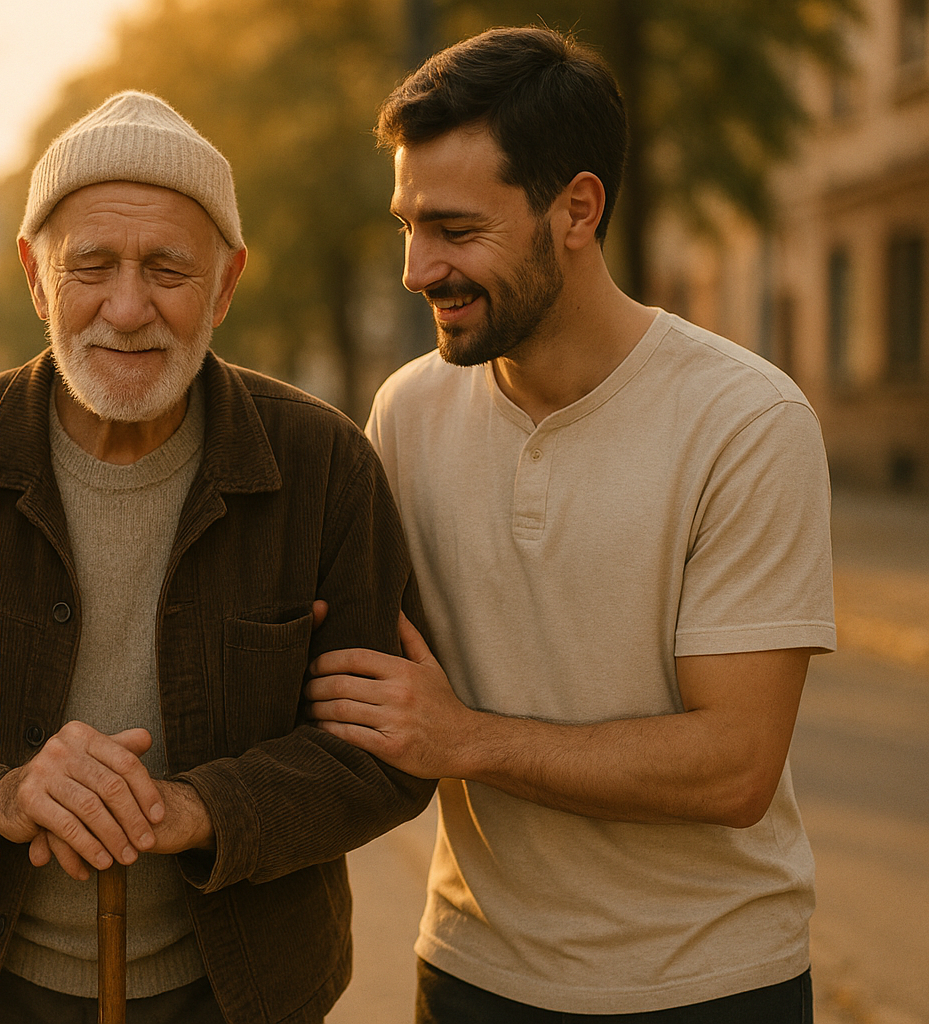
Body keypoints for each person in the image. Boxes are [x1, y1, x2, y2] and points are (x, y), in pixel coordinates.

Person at [0, 91, 435, 1024]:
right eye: (91, 265)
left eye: (168, 269)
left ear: (225, 282)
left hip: (246, 994)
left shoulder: (324, 466)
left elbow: (384, 759)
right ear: (35, 277)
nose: (127, 309)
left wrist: (197, 809)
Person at [303, 27, 835, 1023]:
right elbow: (323, 659)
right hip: (469, 974)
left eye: (456, 230)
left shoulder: (746, 422)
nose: (419, 269)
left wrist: (467, 738)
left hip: (715, 986)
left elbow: (736, 764)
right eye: (407, 226)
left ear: (576, 210)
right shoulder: (406, 413)